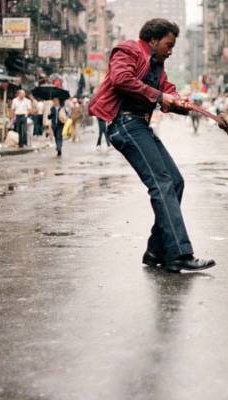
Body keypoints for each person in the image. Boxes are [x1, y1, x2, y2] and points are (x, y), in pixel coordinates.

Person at [89, 17, 216, 273]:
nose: (171, 51)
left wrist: (180, 101)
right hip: (124, 122)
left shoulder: (157, 65)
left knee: (175, 181)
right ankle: (179, 253)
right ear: (153, 40)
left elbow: (168, 89)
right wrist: (160, 96)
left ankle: (156, 251)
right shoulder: (129, 49)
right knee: (161, 183)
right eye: (168, 45)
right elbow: (121, 79)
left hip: (139, 124)